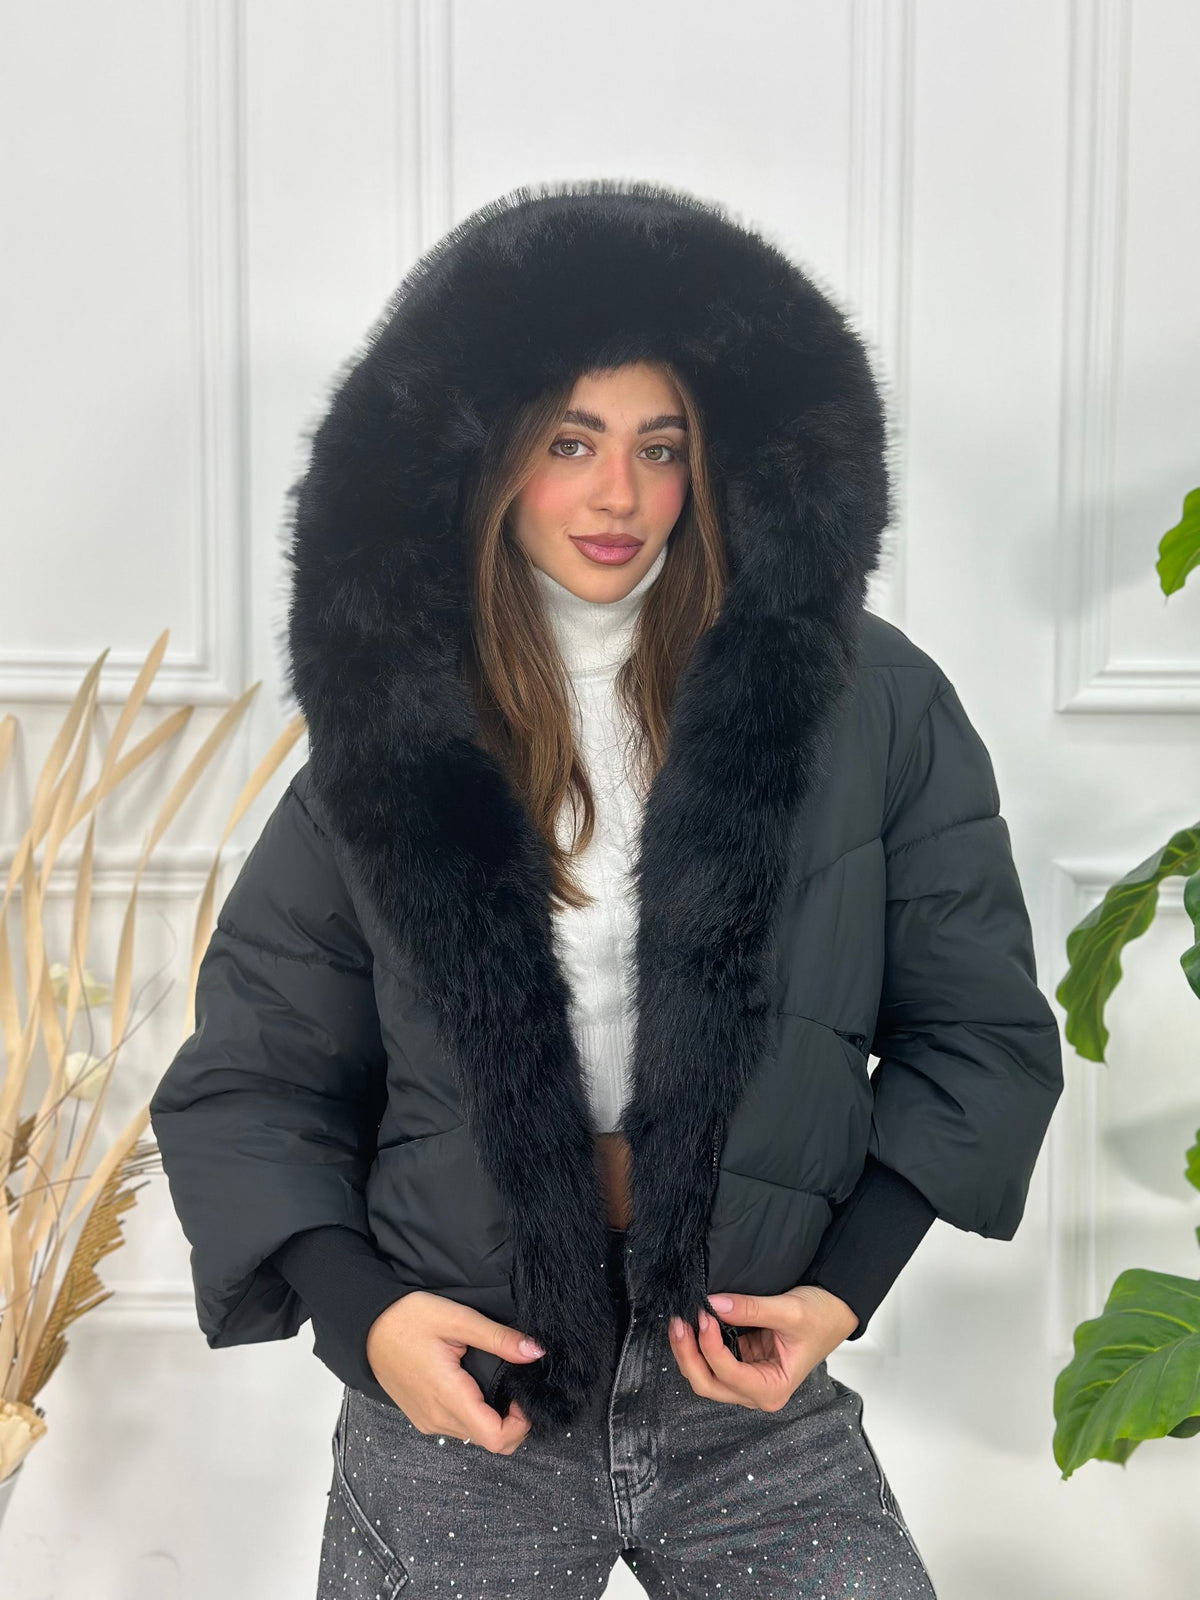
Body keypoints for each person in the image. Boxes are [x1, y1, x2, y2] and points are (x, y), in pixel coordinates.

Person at [148, 179, 1064, 1597]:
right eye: (569, 442)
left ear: (722, 464)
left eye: (661, 446)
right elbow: (255, 1078)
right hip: (468, 1394)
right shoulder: (398, 725)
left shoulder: (866, 702)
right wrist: (367, 1321)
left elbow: (980, 1032)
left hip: (745, 1393)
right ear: (489, 456)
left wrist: (843, 1290)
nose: (617, 495)